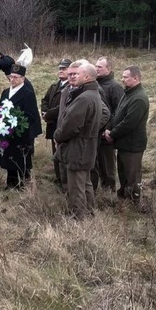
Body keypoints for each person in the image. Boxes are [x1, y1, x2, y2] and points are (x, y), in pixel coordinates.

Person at [54, 62, 104, 218]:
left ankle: (79, 218)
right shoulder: (93, 94)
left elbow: (71, 126)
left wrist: (58, 136)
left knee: (76, 187)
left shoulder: (84, 98)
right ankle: (90, 213)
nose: (74, 76)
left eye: (78, 74)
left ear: (87, 77)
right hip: (86, 147)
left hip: (78, 149)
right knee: (86, 183)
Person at [103, 66, 149, 203]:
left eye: (125, 77)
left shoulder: (139, 98)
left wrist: (113, 133)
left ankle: (133, 202)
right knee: (123, 173)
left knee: (132, 175)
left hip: (133, 144)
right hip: (124, 143)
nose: (122, 80)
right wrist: (109, 127)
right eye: (122, 77)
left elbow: (129, 122)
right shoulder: (127, 94)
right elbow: (117, 114)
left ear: (136, 78)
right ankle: (123, 198)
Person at [0, 64, 42, 189]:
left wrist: (16, 124)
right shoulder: (6, 92)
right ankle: (10, 183)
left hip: (21, 134)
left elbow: (31, 115)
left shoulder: (27, 93)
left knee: (20, 160)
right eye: (11, 77)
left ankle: (22, 184)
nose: (12, 80)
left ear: (23, 78)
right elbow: (1, 109)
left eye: (16, 77)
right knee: (9, 158)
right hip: (7, 133)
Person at [93, 56, 124, 192]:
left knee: (107, 163)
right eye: (96, 66)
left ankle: (110, 190)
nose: (97, 69)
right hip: (95, 131)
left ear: (108, 69)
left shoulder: (115, 87)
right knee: (97, 162)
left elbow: (119, 111)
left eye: (100, 67)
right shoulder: (95, 84)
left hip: (107, 133)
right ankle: (100, 187)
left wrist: (109, 129)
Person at [41, 58, 71, 185]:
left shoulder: (71, 88)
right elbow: (45, 100)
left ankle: (64, 181)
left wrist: (48, 114)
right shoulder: (54, 86)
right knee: (55, 154)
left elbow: (63, 108)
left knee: (63, 154)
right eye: (60, 68)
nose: (61, 71)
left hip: (63, 126)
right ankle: (58, 178)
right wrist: (44, 111)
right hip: (52, 125)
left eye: (64, 69)